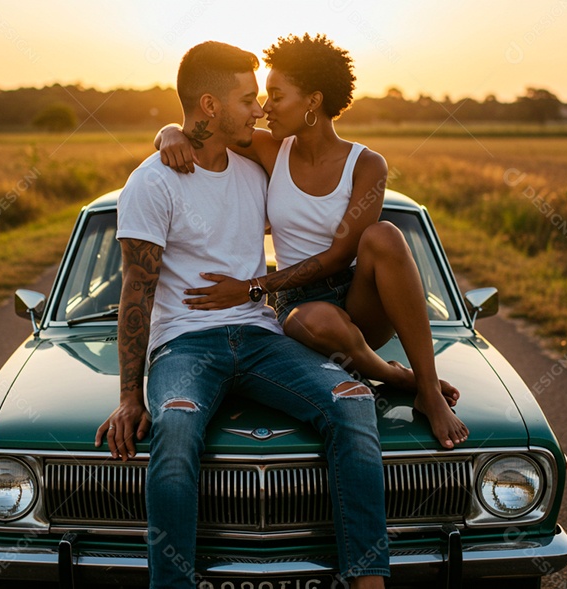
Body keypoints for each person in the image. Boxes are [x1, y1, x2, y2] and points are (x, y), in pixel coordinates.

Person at [95, 41, 389, 589]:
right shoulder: (151, 183)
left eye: (263, 98)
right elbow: (137, 293)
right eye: (249, 99)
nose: (259, 110)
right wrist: (130, 395)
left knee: (353, 401)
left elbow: (319, 212)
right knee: (175, 425)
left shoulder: (258, 170)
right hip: (184, 344)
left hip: (262, 335)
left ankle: (367, 578)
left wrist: (171, 130)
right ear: (209, 104)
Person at [155, 34, 469, 449]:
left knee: (384, 235)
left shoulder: (367, 164)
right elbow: (207, 128)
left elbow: (341, 256)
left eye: (276, 96)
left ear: (313, 102)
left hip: (356, 299)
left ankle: (428, 390)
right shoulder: (270, 150)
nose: (264, 108)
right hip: (300, 310)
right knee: (317, 318)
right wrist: (169, 132)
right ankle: (394, 376)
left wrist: (253, 288)